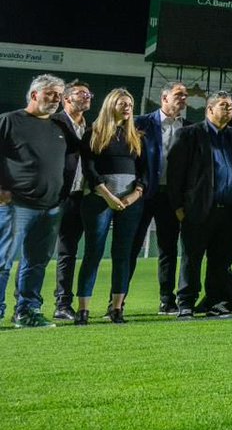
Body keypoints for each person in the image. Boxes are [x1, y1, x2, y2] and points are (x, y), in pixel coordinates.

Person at [168, 91, 232, 319]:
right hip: (199, 210)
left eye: (231, 107)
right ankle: (186, 302)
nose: (229, 110)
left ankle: (216, 302)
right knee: (192, 258)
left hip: (231, 211)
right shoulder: (189, 135)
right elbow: (175, 174)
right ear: (209, 109)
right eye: (224, 106)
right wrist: (178, 206)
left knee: (222, 261)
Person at [0, 74, 71, 328]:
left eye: (59, 95)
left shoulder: (59, 127)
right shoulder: (9, 121)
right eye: (51, 93)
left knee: (36, 264)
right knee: (2, 262)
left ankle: (28, 311)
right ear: (34, 95)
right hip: (15, 207)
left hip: (50, 208)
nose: (56, 99)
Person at [74, 88, 147, 324]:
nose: (127, 108)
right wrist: (108, 196)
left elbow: (143, 173)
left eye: (130, 104)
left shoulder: (137, 136)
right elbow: (90, 170)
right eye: (123, 103)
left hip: (130, 202)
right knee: (93, 252)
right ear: (110, 105)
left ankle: (117, 309)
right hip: (98, 199)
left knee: (122, 254)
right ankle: (83, 310)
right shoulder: (93, 133)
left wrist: (132, 196)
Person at [132, 81, 191, 314]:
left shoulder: (188, 128)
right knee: (131, 247)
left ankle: (167, 300)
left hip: (171, 198)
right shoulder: (141, 123)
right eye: (179, 95)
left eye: (185, 95)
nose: (183, 99)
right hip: (142, 194)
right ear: (164, 98)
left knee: (168, 249)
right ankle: (117, 300)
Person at [51, 80, 92, 322]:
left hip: (78, 198)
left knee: (68, 252)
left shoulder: (91, 128)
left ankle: (63, 303)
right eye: (81, 94)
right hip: (52, 197)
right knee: (34, 254)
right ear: (67, 99)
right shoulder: (54, 123)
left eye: (89, 94)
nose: (87, 97)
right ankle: (25, 304)